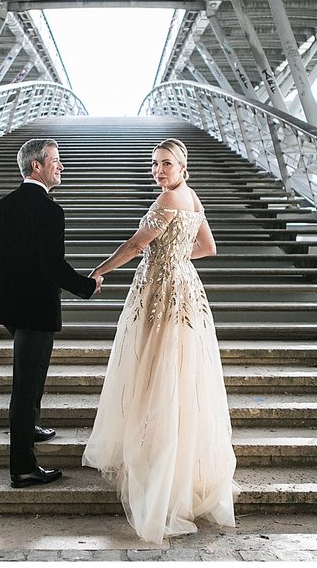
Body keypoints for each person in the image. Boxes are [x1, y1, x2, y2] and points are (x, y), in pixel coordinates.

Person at [83, 138, 239, 544]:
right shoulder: (191, 197)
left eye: (166, 164)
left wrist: (99, 270)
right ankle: (178, 471)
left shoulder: (168, 202)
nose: (159, 171)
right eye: (154, 165)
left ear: (182, 165)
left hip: (162, 291)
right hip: (185, 288)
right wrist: (177, 258)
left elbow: (136, 245)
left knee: (158, 373)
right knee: (180, 374)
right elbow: (208, 247)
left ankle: (160, 471)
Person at [0, 138, 103, 489]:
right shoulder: (49, 210)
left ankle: (30, 427)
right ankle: (22, 467)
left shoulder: (3, 206)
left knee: (32, 379)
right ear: (38, 166)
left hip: (12, 309)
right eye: (56, 160)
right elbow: (51, 266)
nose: (61, 166)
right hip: (36, 310)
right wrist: (86, 285)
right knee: (26, 385)